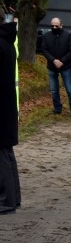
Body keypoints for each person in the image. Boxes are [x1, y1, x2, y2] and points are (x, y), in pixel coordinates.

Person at [0, 18, 20, 214]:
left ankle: (6, 200)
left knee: (2, 155)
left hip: (2, 106)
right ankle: (14, 197)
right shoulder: (7, 40)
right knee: (6, 152)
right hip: (7, 105)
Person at [42, 17, 71, 117]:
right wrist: (53, 60)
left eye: (56, 26)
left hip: (65, 66)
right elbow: (44, 50)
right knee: (54, 90)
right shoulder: (46, 36)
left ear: (61, 25)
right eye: (52, 26)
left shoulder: (68, 36)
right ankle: (57, 108)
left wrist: (62, 61)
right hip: (52, 65)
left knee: (69, 89)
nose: (54, 27)